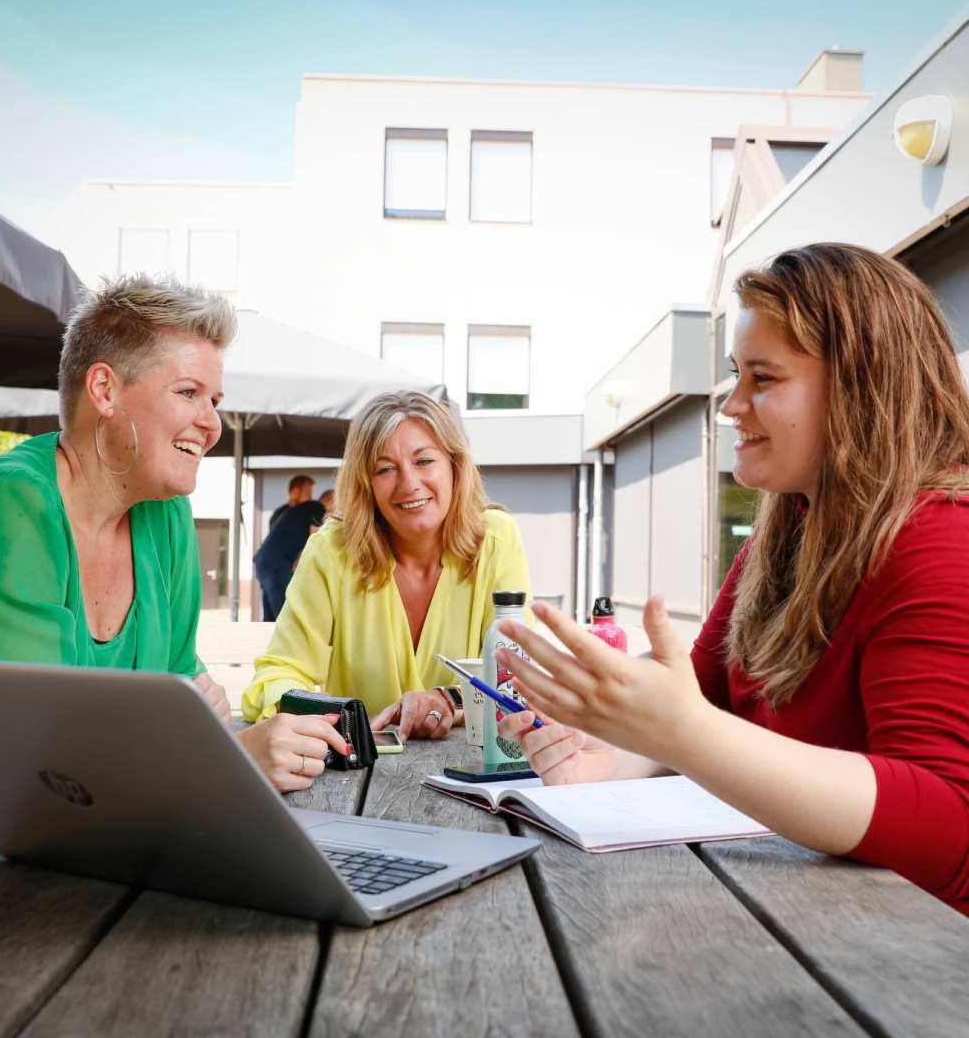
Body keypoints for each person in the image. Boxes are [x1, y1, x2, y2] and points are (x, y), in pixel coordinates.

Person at [496, 243, 969, 915]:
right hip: (788, 925)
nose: (731, 404)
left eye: (764, 378)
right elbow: (703, 706)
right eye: (735, 375)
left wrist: (680, 732)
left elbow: (950, 819)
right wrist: (607, 764)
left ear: (862, 385)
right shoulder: (785, 537)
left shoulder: (943, 540)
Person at [0, 275, 346, 896]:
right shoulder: (11, 506)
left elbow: (190, 706)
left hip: (93, 864)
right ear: (104, 389)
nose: (211, 424)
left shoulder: (164, 515)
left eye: (215, 399)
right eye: (189, 393)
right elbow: (34, 790)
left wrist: (191, 743)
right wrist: (230, 767)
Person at [243, 390, 533, 739]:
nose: (409, 484)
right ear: (366, 485)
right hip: (360, 782)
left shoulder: (497, 539)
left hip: (471, 771)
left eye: (424, 461)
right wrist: (318, 715)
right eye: (385, 469)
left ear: (455, 467)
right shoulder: (332, 550)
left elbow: (515, 676)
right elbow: (279, 674)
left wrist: (449, 700)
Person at [254, 492, 327, 620]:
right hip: (277, 565)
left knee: (271, 619)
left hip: (264, 561)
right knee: (286, 618)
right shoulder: (318, 508)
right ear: (331, 502)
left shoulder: (296, 511)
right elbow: (315, 542)